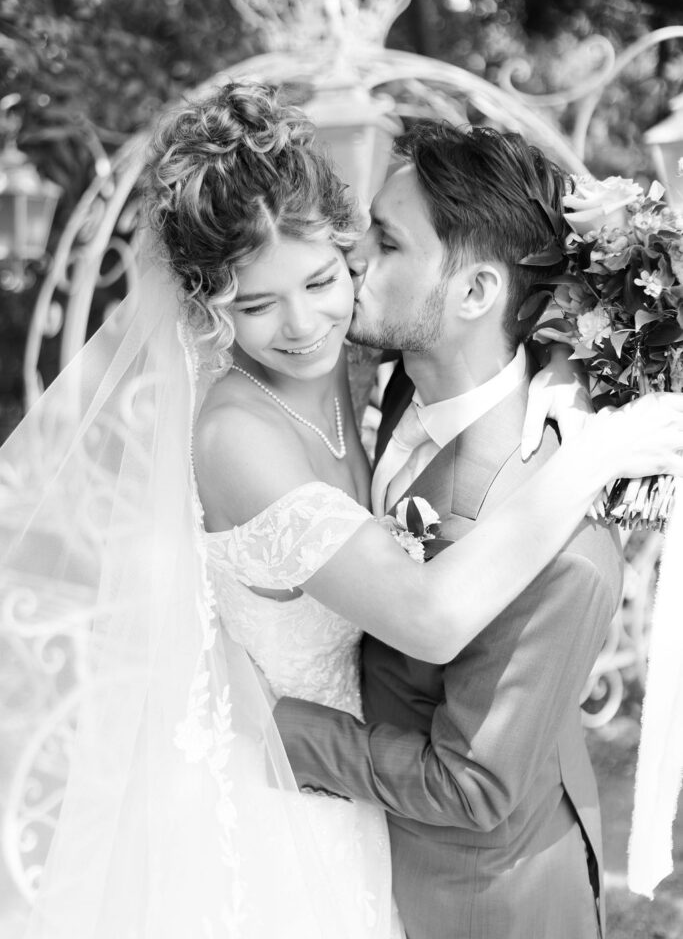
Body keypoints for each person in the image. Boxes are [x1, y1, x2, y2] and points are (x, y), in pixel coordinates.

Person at [6, 83, 683, 939]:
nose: (305, 322)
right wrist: (587, 453)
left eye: (335, 271)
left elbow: (492, 309)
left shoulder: (393, 378)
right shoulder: (259, 421)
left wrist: (567, 391)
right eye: (253, 305)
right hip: (270, 821)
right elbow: (428, 613)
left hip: (457, 878)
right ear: (209, 304)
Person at [269, 122, 643, 939]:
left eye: (386, 243)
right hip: (354, 861)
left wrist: (283, 732)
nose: (349, 258)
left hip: (475, 905)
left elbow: (471, 787)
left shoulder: (560, 550)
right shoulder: (407, 369)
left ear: (474, 294)